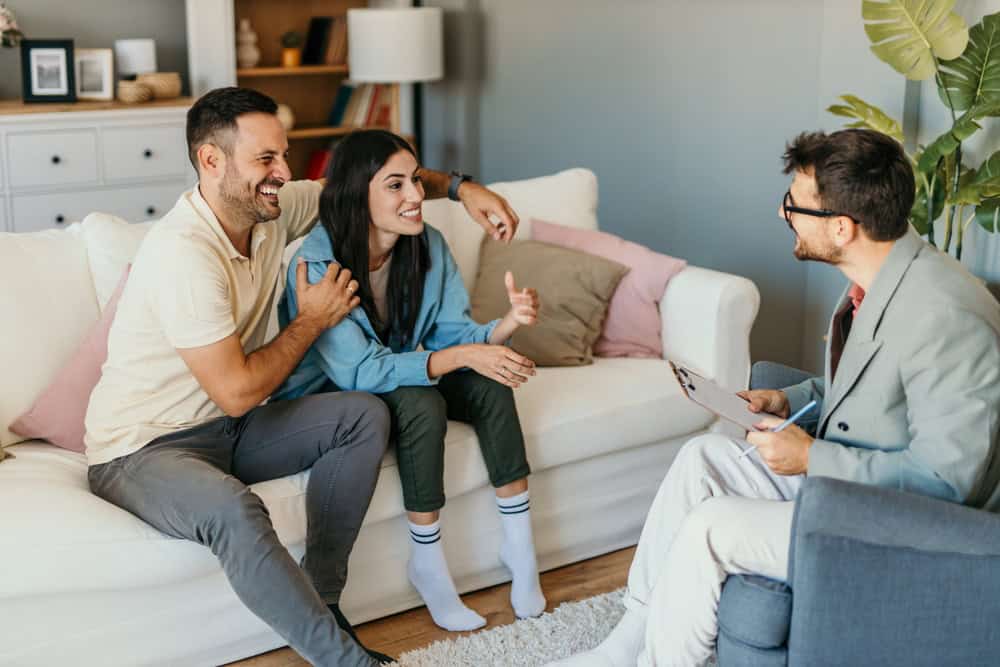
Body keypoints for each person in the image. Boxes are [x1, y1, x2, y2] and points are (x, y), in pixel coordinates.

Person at [83, 87, 521, 667]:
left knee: (365, 413)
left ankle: (322, 599)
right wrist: (312, 321)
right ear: (211, 162)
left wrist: (466, 190)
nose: (284, 173)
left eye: (283, 156)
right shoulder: (183, 255)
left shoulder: (270, 209)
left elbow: (368, 181)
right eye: (266, 160)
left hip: (230, 428)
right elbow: (237, 389)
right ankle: (345, 660)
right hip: (142, 449)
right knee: (233, 510)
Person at [552, 128, 1000, 666]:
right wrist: (788, 401)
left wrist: (811, 456)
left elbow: (948, 480)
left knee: (710, 527)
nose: (783, 212)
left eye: (795, 203)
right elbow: (871, 389)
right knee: (701, 459)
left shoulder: (944, 316)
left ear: (840, 227)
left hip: (908, 530)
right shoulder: (876, 275)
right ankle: (628, 643)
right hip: (851, 490)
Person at [273, 129, 547, 632]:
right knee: (423, 403)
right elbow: (359, 371)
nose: (418, 196)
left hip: (395, 375)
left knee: (489, 384)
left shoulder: (428, 246)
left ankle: (521, 551)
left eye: (416, 181)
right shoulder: (316, 264)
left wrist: (506, 325)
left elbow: (452, 333)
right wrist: (463, 353)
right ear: (359, 194)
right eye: (396, 185)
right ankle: (428, 565)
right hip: (335, 399)